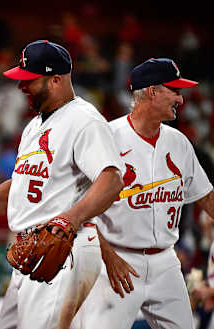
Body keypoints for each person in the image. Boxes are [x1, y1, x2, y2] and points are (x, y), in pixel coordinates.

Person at [0, 40, 124, 329]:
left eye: (30, 80)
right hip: (32, 249)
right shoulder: (34, 126)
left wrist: (70, 220)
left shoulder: (84, 119)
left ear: (56, 79)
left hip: (63, 248)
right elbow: (21, 185)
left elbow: (112, 179)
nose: (21, 86)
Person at [72, 58, 214, 329]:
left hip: (166, 262)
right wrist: (108, 257)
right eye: (174, 90)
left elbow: (206, 197)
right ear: (152, 91)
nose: (181, 100)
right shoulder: (107, 137)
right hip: (115, 260)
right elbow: (78, 207)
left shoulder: (179, 143)